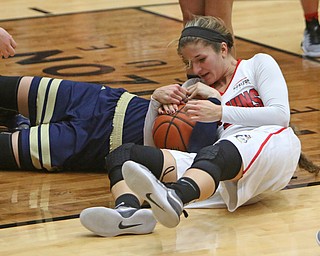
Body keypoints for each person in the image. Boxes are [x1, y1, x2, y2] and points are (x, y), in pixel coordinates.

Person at [80, 16, 302, 237]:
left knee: (222, 148)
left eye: (201, 59)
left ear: (223, 49)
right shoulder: (192, 88)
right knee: (125, 155)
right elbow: (164, 147)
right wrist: (155, 104)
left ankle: (175, 197)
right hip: (217, 169)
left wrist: (219, 108)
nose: (195, 69)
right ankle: (127, 213)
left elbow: (281, 116)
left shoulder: (257, 65)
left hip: (274, 147)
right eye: (188, 63)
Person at [0, 75, 193, 172]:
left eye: (200, 60)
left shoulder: (218, 150)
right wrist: (164, 97)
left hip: (93, 144)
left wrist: (154, 108)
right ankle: (11, 117)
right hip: (99, 99)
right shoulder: (204, 82)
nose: (196, 68)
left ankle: (16, 122)